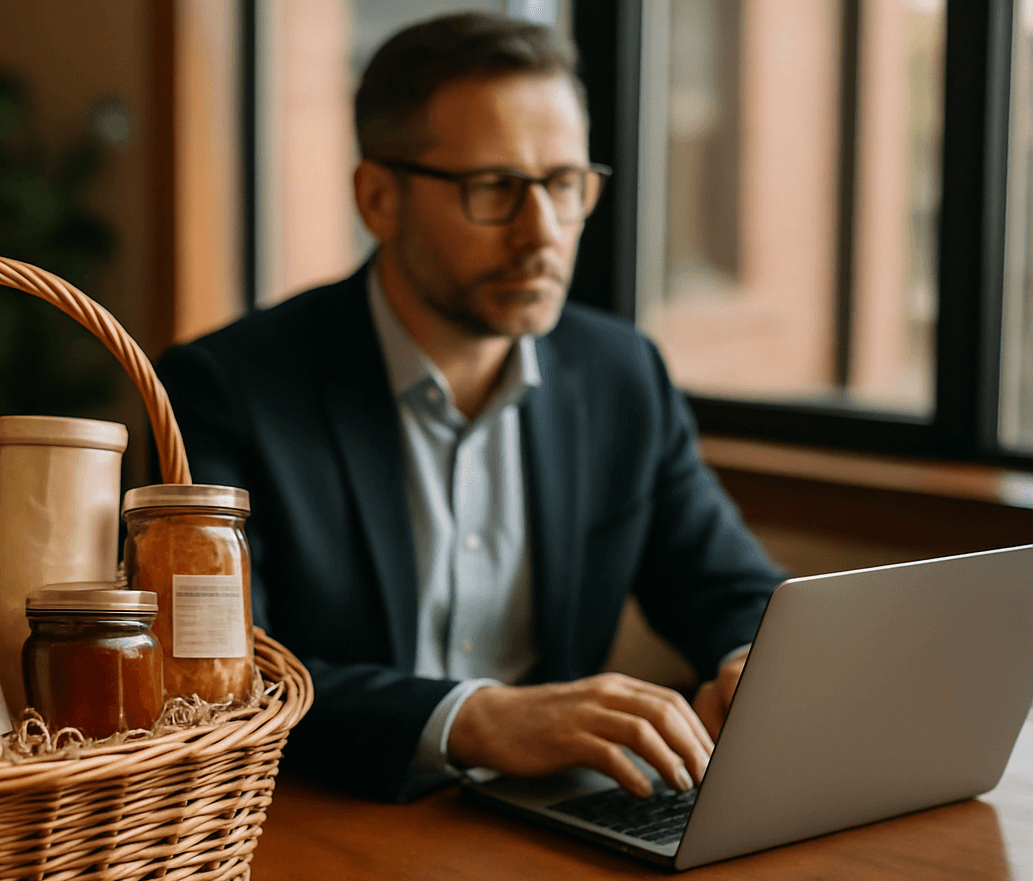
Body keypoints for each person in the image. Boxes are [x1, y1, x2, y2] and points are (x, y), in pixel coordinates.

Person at [155, 13, 785, 802]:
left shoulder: (620, 374)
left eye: (563, 185)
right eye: (494, 189)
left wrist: (747, 660)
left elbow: (734, 591)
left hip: (546, 835)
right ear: (379, 199)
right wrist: (473, 720)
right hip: (326, 829)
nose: (543, 233)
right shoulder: (223, 390)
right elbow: (219, 678)